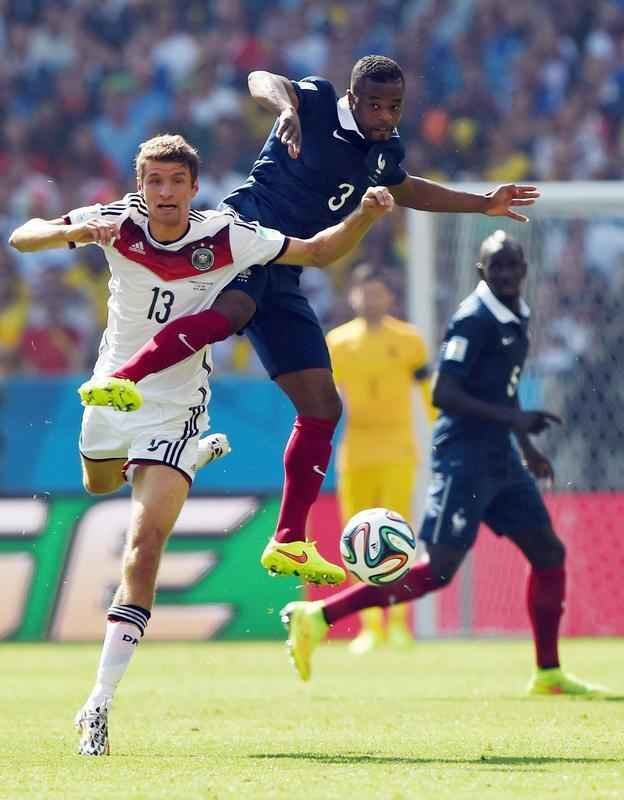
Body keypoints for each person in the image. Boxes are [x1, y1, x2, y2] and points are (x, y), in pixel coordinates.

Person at [76, 55, 540, 587]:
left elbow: (408, 188)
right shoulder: (316, 101)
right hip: (242, 236)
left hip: (290, 266)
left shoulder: (384, 151)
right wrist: (286, 109)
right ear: (352, 95)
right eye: (375, 104)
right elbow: (259, 79)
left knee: (322, 405)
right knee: (235, 310)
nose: (386, 115)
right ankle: (119, 379)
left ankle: (289, 541)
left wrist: (482, 203)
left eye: (395, 106)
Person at [8, 133, 395, 755]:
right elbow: (21, 237)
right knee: (99, 485)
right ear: (141, 186)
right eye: (153, 182)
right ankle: (192, 457)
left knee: (145, 544)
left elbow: (320, 252)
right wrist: (62, 233)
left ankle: (98, 703)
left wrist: (366, 215)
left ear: (194, 187)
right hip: (110, 394)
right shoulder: (118, 223)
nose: (164, 194)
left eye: (175, 183)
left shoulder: (226, 235)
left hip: (176, 405)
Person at [281, 231, 608, 697]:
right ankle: (319, 617)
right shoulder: (473, 319)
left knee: (549, 554)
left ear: (527, 270)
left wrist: (525, 446)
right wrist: (516, 419)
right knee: (437, 571)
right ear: (481, 272)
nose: (508, 275)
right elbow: (444, 393)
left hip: (502, 458)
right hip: (465, 459)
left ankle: (548, 672)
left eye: (514, 266)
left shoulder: (518, 313)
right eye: (497, 267)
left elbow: (504, 389)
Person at [326, 263, 436, 653]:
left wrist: (441, 433)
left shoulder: (409, 340)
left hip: (399, 450)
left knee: (397, 540)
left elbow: (428, 395)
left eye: (377, 292)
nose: (370, 299)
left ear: (389, 297)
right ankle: (370, 626)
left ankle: (400, 623)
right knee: (358, 541)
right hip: (355, 452)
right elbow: (323, 398)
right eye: (363, 292)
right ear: (352, 296)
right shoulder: (337, 343)